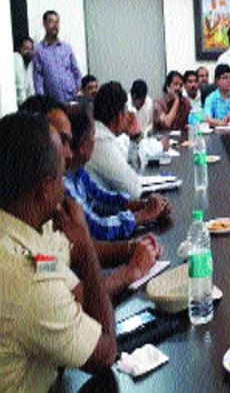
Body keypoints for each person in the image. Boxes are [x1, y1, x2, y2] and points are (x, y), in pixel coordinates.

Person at [0, 112, 117, 391]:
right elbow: (105, 352)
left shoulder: (21, 234)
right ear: (44, 188)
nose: (64, 186)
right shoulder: (29, 279)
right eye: (61, 176)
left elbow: (71, 287)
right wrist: (85, 247)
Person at [18, 98, 165, 299]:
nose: (69, 154)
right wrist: (130, 272)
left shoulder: (44, 225)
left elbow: (68, 262)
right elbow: (76, 299)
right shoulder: (22, 256)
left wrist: (131, 249)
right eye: (61, 141)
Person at [64, 105, 171, 240]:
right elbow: (98, 228)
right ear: (82, 146)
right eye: (92, 135)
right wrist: (143, 215)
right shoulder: (65, 185)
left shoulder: (78, 173)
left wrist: (147, 205)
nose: (94, 141)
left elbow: (104, 198)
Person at [88, 82, 144, 198]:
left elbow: (134, 171)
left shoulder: (102, 135)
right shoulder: (100, 141)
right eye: (126, 110)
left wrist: (134, 139)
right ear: (119, 116)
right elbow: (134, 190)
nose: (128, 115)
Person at [33, 10, 82, 103]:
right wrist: (42, 101)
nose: (55, 25)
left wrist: (77, 87)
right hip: (53, 103)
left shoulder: (66, 48)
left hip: (72, 99)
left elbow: (75, 70)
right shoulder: (39, 50)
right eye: (51, 22)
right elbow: (38, 79)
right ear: (44, 24)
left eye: (57, 22)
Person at [14, 36, 35, 105]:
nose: (30, 52)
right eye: (26, 48)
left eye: (31, 49)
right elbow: (20, 88)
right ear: (20, 49)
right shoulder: (17, 58)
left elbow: (30, 87)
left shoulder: (29, 63)